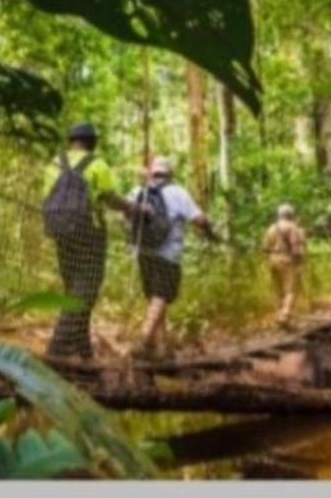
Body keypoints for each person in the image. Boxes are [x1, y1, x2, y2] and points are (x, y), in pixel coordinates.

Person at [39, 121, 122, 362]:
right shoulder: (97, 164)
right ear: (92, 142)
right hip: (90, 234)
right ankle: (56, 349)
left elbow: (47, 197)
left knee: (74, 287)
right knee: (85, 290)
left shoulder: (54, 163)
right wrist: (133, 209)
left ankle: (84, 352)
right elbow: (108, 197)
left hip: (60, 232)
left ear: (71, 140)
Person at [124, 155, 216, 358]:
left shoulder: (139, 191)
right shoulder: (178, 193)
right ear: (170, 174)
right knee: (161, 296)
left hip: (142, 252)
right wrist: (210, 234)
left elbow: (125, 215)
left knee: (155, 298)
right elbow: (199, 220)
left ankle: (162, 349)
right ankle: (143, 338)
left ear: (152, 173)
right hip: (167, 255)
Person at [262, 203, 309, 326]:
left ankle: (279, 314)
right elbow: (295, 247)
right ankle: (285, 314)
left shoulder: (271, 228)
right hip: (287, 260)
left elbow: (265, 247)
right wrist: (299, 261)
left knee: (277, 289)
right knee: (290, 290)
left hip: (272, 260)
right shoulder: (292, 227)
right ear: (290, 214)